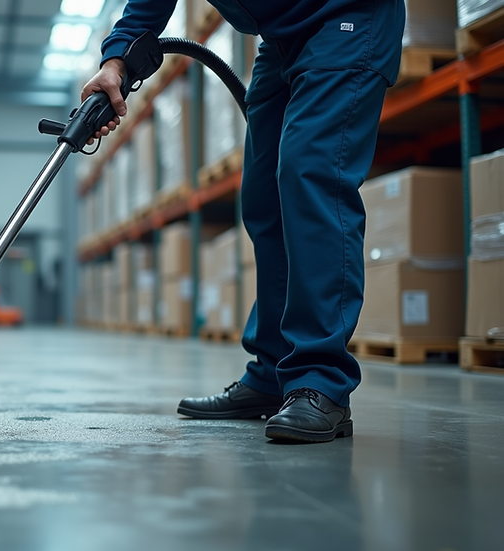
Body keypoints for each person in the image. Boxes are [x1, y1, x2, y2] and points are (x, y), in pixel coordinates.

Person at [82, 0, 406, 443]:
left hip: (347, 16)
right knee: (263, 197)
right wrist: (117, 60)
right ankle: (272, 374)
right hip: (281, 38)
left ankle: (321, 383)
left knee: (310, 175)